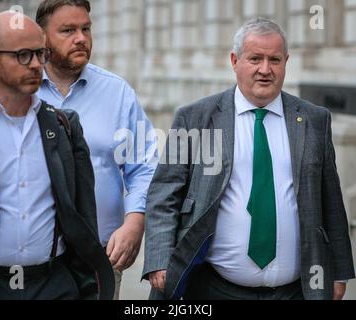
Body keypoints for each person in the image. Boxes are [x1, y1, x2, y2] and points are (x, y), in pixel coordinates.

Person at [143, 17, 355, 300]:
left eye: (275, 60)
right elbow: (164, 194)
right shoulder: (196, 118)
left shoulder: (314, 119)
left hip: (295, 291)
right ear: (235, 60)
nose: (265, 70)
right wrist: (159, 259)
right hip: (213, 288)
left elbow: (330, 201)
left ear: (286, 62)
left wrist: (339, 271)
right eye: (255, 58)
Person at [0, 11, 114, 300]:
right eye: (24, 55)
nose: (37, 65)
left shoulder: (64, 126)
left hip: (55, 285)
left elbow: (83, 215)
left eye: (41, 54)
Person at [35, 0, 157, 299]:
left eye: (86, 29)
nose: (81, 38)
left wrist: (135, 221)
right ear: (42, 37)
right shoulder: (23, 90)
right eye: (67, 30)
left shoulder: (117, 93)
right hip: (33, 264)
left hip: (100, 256)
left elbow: (144, 165)